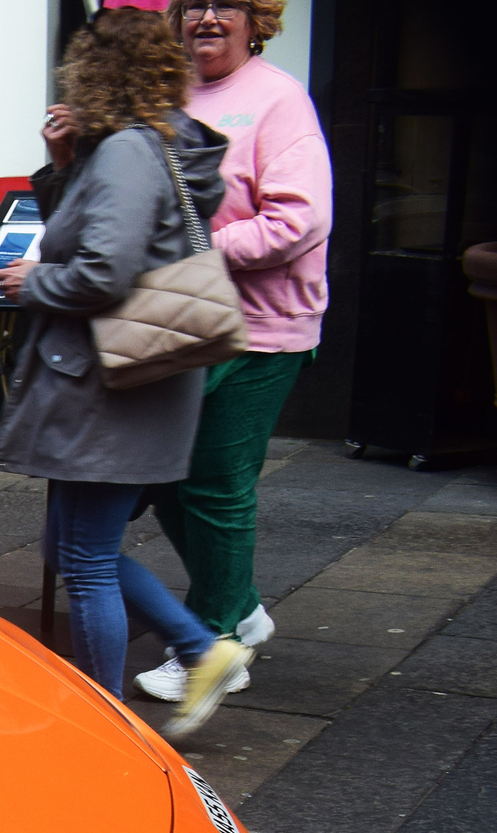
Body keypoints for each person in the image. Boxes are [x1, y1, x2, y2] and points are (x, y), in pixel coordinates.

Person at [0, 5, 247, 737]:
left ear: (97, 73)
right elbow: (98, 233)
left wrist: (31, 283)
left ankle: (105, 728)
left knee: (87, 561)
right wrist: (66, 164)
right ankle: (202, 648)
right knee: (71, 548)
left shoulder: (131, 152)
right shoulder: (147, 146)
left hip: (111, 385)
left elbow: (104, 269)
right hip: (124, 381)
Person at [132, 0, 330, 703]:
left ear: (256, 21)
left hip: (260, 328)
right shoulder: (168, 92)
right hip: (182, 317)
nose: (208, 18)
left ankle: (213, 645)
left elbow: (300, 219)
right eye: (194, 6)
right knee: (160, 482)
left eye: (227, 6)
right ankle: (240, 609)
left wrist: (196, 251)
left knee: (216, 484)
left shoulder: (279, 101)